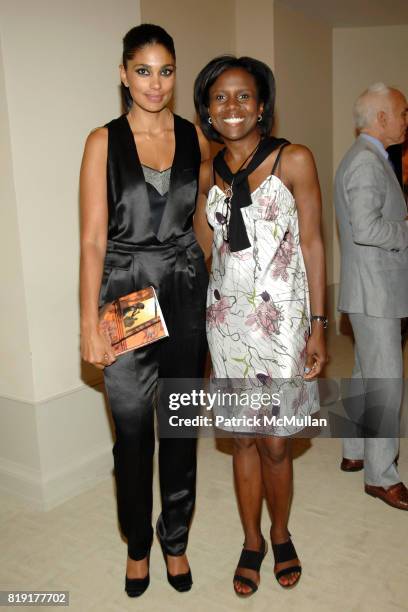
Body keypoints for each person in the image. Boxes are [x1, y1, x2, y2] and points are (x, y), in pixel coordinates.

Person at [79, 24, 209, 597]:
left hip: (184, 291)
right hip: (126, 291)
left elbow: (201, 217)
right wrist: (89, 324)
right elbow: (90, 241)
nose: (155, 84)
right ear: (123, 73)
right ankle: (137, 545)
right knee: (131, 434)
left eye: (166, 71)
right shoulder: (102, 142)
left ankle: (174, 539)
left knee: (180, 429)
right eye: (143, 71)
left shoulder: (193, 137)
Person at [193, 56, 327, 597]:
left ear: (263, 105)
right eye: (220, 97)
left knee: (275, 443)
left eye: (243, 96)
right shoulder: (207, 172)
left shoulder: (294, 160)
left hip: (284, 324)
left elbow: (315, 243)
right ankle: (252, 541)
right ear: (207, 109)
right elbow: (210, 246)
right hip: (227, 325)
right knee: (243, 439)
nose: (232, 106)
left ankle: (280, 531)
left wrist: (318, 325)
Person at [335, 82, 408, 511]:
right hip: (376, 291)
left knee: (365, 376)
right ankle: (382, 477)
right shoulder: (366, 162)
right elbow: (367, 229)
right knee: (385, 384)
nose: (405, 120)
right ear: (380, 118)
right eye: (401, 112)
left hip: (369, 289)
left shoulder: (365, 158)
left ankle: (354, 451)